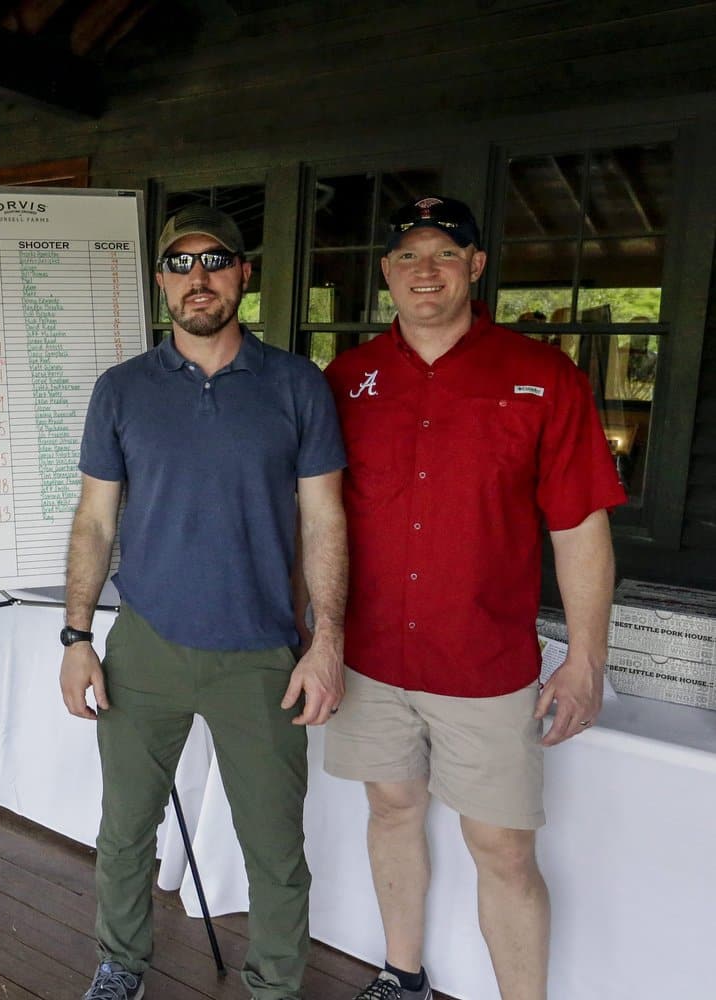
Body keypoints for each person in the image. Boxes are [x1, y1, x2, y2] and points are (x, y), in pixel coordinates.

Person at [323, 196, 625, 1000]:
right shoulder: (347, 380)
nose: (426, 270)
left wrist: (588, 660)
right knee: (391, 809)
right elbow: (315, 518)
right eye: (409, 256)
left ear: (475, 266)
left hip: (485, 664)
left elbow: (580, 528)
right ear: (386, 272)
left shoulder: (542, 376)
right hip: (372, 655)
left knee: (503, 848)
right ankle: (402, 975)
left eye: (445, 254)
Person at [61, 205, 349, 1000]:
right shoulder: (121, 390)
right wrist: (76, 635)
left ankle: (276, 988)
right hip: (146, 643)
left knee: (274, 848)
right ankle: (121, 965)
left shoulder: (295, 384)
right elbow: (94, 519)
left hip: (261, 650)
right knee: (125, 830)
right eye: (181, 264)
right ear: (160, 281)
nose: (199, 278)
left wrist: (327, 641)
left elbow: (325, 517)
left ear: (243, 275)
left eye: (216, 261)